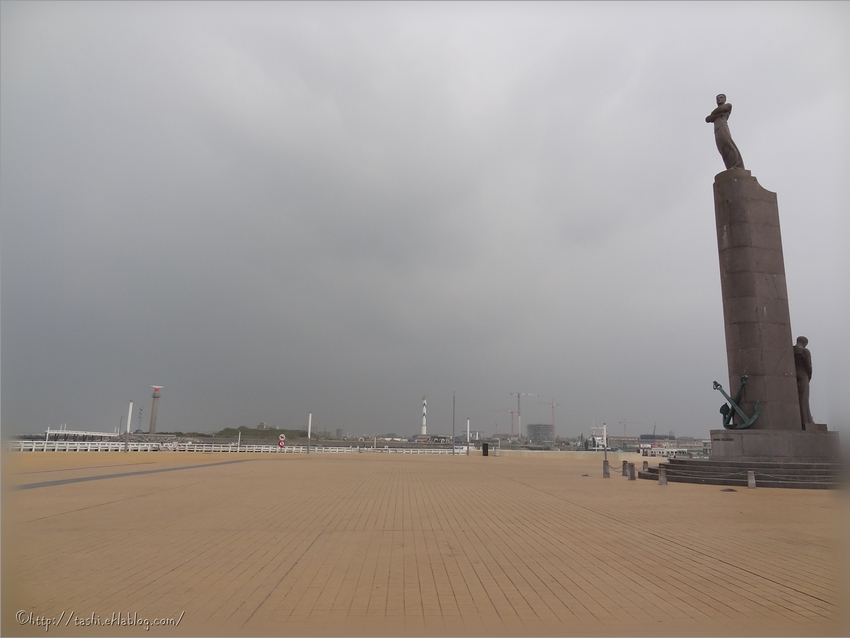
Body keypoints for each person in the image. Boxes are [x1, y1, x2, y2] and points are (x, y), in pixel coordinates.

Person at [705, 94, 745, 170]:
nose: (719, 99)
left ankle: (737, 165)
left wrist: (714, 115)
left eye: (721, 98)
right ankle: (730, 167)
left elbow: (718, 111)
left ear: (725, 99)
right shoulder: (718, 112)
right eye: (717, 98)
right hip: (716, 129)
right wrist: (715, 115)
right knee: (723, 149)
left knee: (729, 145)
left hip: (723, 126)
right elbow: (707, 119)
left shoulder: (728, 105)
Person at [793, 336, 814, 428]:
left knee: (795, 399)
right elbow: (808, 366)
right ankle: (806, 421)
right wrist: (809, 377)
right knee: (803, 399)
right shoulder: (805, 351)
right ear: (804, 343)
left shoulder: (791, 350)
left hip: (792, 376)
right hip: (803, 375)